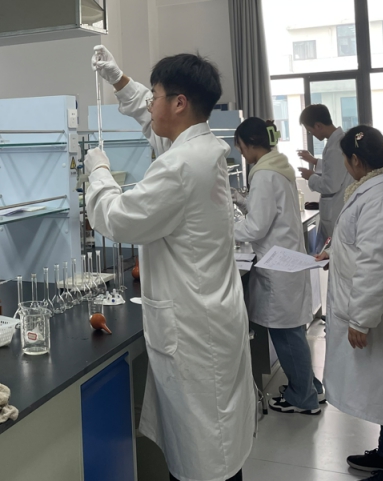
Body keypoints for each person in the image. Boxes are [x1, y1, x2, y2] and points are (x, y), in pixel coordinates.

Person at [86, 45, 255, 481]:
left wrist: (98, 173)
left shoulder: (180, 166)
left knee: (205, 460)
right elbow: (154, 120)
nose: (150, 104)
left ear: (179, 103)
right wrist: (119, 80)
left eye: (156, 95)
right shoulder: (202, 146)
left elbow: (117, 218)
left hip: (195, 331)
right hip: (212, 317)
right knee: (216, 450)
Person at [317, 125, 383, 481]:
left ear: (355, 160)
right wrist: (334, 252)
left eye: (344, 159)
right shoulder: (373, 190)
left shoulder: (381, 198)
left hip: (380, 314)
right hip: (375, 309)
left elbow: (377, 262)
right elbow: (360, 244)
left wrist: (360, 318)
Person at [232, 118, 324, 415]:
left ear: (250, 143)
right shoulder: (277, 166)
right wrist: (240, 200)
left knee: (287, 334)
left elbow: (256, 227)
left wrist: (221, 231)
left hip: (278, 265)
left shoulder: (264, 174)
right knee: (292, 331)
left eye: (241, 147)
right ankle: (310, 387)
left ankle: (304, 397)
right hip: (286, 259)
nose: (241, 153)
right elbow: (266, 210)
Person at [297, 104, 352, 249]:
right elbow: (336, 168)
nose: (311, 134)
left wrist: (311, 177)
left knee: (333, 254)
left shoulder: (336, 147)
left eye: (310, 131)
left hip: (336, 210)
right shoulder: (336, 141)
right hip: (335, 209)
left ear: (318, 125)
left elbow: (331, 185)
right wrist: (314, 161)